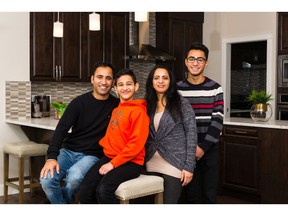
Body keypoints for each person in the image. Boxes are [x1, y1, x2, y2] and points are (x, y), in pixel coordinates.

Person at [39, 61, 119, 204]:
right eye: (100, 77)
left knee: (74, 179)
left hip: (92, 156)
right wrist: (51, 158)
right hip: (68, 151)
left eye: (108, 78)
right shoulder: (78, 102)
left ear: (113, 82)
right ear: (92, 79)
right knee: (46, 180)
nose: (104, 82)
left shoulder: (117, 106)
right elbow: (60, 130)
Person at [77, 68, 150, 204]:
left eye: (129, 84)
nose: (125, 88)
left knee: (104, 190)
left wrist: (112, 164)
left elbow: (135, 145)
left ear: (136, 86)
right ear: (115, 88)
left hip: (131, 162)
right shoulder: (116, 110)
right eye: (120, 85)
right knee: (84, 191)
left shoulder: (139, 112)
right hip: (111, 157)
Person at [177, 42, 224, 204]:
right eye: (191, 59)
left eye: (200, 60)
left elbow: (217, 122)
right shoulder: (177, 90)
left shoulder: (215, 89)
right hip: (185, 150)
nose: (195, 63)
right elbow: (176, 122)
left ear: (206, 63)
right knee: (192, 196)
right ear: (186, 61)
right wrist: (191, 149)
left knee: (209, 195)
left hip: (209, 149)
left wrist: (202, 147)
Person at [144, 65, 197, 204]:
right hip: (150, 163)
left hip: (174, 163)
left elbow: (191, 134)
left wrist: (189, 166)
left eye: (165, 78)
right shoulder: (147, 105)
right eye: (157, 78)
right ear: (151, 82)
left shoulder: (181, 103)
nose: (161, 81)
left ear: (170, 81)